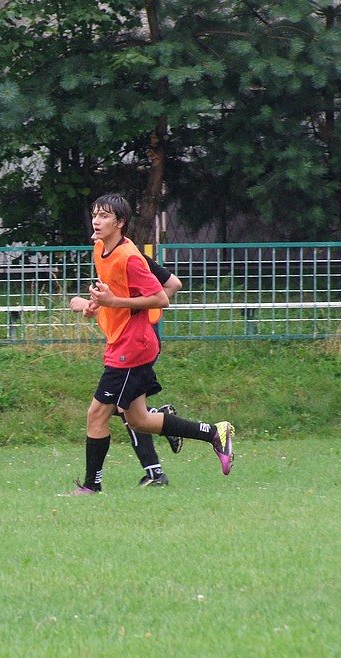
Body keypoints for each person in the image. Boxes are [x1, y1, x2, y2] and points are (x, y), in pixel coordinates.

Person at [70, 193, 234, 495]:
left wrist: (116, 303)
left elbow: (161, 298)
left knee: (97, 413)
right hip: (123, 342)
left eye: (104, 216)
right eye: (95, 214)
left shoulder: (129, 257)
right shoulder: (101, 248)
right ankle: (214, 433)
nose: (96, 220)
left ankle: (92, 486)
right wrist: (96, 304)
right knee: (139, 420)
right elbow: (134, 290)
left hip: (131, 348)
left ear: (120, 223)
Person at [70, 252, 183, 487]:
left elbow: (171, 286)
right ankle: (161, 429)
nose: (95, 233)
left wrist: (139, 314)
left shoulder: (130, 258)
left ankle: (154, 470)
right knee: (122, 406)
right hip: (128, 341)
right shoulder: (107, 255)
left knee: (117, 406)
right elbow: (116, 301)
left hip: (138, 342)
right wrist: (91, 306)